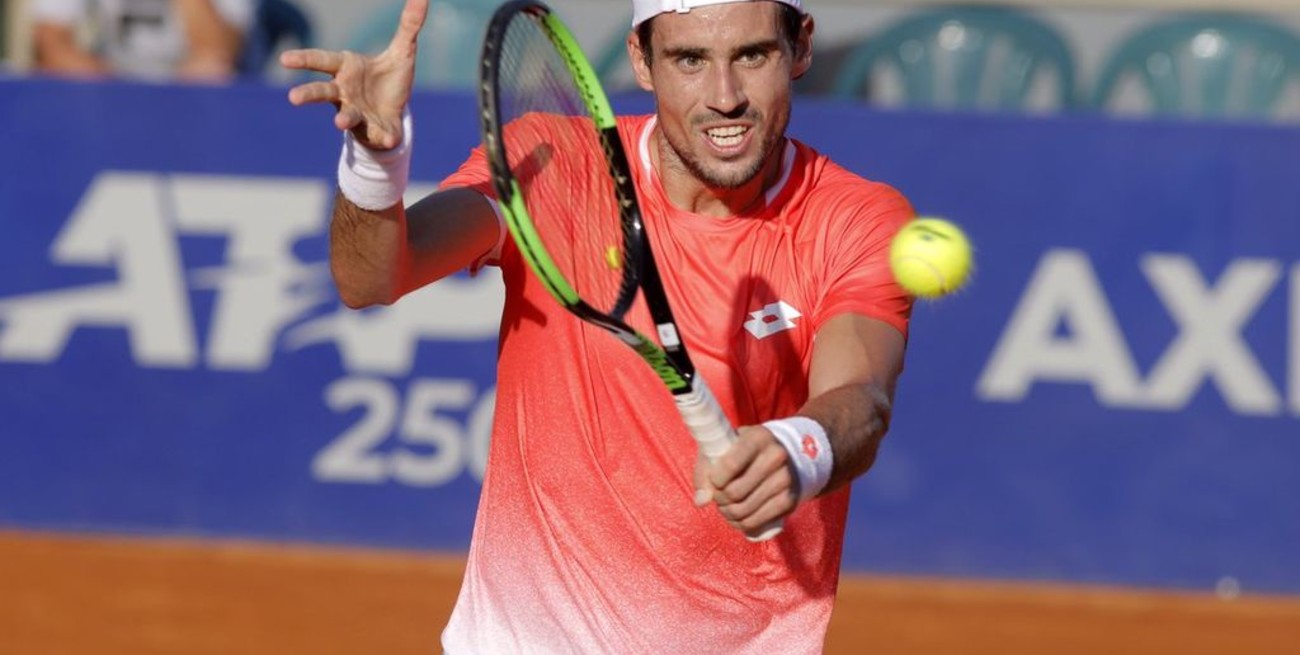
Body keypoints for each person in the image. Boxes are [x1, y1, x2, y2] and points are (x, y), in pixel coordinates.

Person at [282, 0, 913, 651]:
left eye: (752, 55)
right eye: (689, 60)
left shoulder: (858, 220)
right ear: (641, 59)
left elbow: (861, 398)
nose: (725, 97)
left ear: (800, 47)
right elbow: (370, 280)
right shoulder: (549, 162)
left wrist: (798, 447)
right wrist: (375, 163)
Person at [30, 0, 255, 82]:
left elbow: (220, 53)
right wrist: (125, 87)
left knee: (213, 74)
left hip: (190, 95)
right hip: (112, 87)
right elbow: (51, 45)